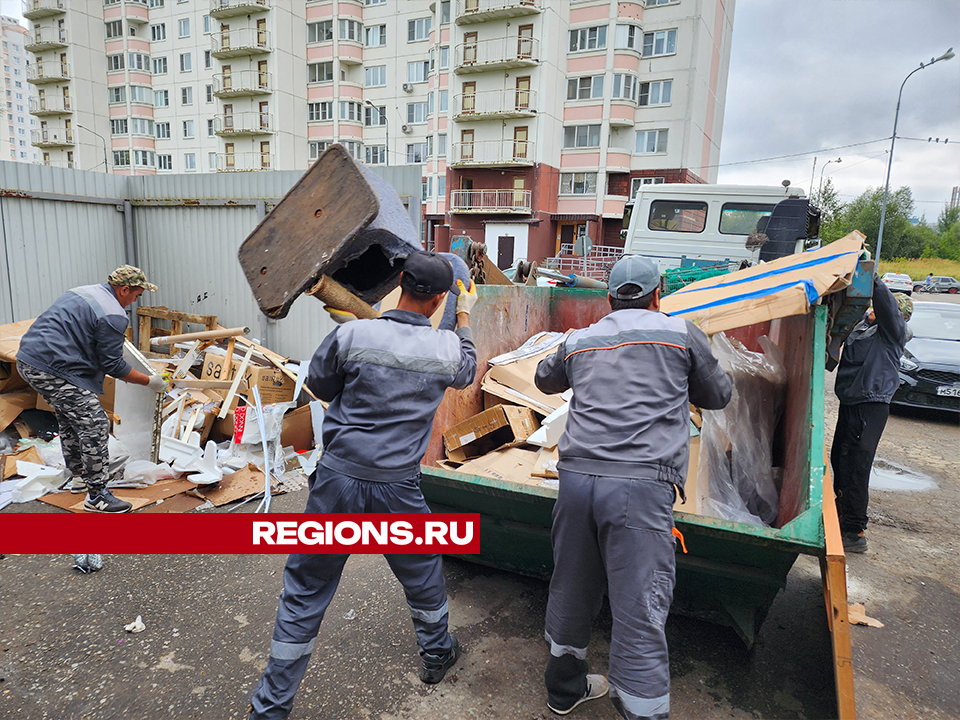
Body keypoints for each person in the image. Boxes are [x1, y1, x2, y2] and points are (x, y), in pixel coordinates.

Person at [248, 251, 478, 720]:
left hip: (337, 481)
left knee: (307, 590)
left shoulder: (352, 333)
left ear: (400, 281)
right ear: (439, 301)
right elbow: (468, 367)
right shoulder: (447, 350)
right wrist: (467, 313)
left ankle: (269, 709)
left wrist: (351, 331)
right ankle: (437, 655)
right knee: (422, 573)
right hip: (397, 488)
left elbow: (321, 386)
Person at [534, 255, 732, 719]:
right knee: (639, 602)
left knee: (572, 583)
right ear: (658, 294)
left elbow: (545, 378)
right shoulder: (681, 335)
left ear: (608, 298)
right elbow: (719, 395)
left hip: (577, 482)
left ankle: (563, 688)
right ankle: (643, 711)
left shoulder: (580, 339)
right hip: (640, 490)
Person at [16, 265, 167, 514]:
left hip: (30, 359)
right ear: (124, 289)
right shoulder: (113, 314)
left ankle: (78, 478)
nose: (134, 301)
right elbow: (113, 364)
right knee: (95, 424)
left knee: (70, 418)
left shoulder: (83, 292)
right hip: (50, 367)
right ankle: (97, 496)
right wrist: (149, 381)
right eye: (136, 295)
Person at [831, 275, 913, 553]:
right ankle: (838, 518)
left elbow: (888, 308)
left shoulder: (892, 332)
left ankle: (854, 531)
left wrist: (872, 278)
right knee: (839, 459)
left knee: (856, 464)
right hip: (851, 402)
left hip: (871, 404)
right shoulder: (865, 328)